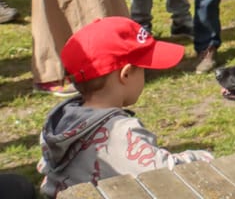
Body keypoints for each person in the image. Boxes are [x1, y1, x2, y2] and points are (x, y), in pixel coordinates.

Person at [38, 16, 213, 196]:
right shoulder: (122, 132)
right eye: (143, 69)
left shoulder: (60, 121)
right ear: (126, 74)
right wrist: (201, 157)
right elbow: (164, 174)